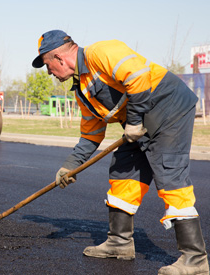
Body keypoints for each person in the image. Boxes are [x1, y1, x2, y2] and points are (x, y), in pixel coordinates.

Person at [32, 30, 209, 274]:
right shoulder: (82, 89)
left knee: (170, 175)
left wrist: (134, 121)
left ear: (59, 58)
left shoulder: (100, 52)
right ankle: (120, 243)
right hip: (139, 123)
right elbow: (91, 134)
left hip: (169, 108)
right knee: (123, 168)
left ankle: (195, 259)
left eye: (47, 65)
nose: (49, 72)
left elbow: (137, 76)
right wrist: (70, 165)